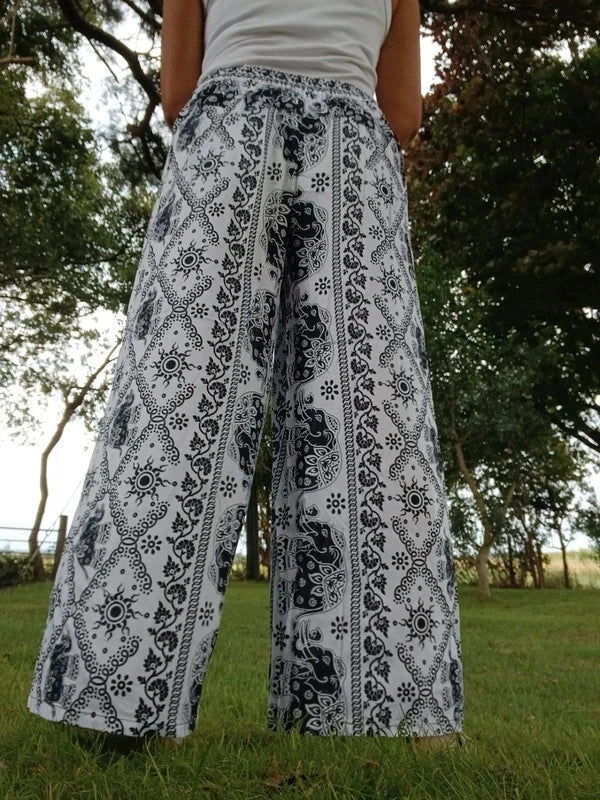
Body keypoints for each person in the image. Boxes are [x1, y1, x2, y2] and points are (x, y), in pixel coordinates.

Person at [26, 0, 465, 751]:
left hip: (226, 132)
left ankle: (118, 701)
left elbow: (177, 91)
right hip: (353, 148)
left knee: (176, 395)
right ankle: (392, 709)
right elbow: (402, 110)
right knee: (371, 413)